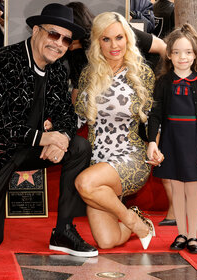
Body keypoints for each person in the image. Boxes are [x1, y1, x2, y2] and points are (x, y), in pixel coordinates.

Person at [0, 3, 98, 258]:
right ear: (36, 30)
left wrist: (62, 139)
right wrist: (44, 137)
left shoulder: (56, 68)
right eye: (54, 34)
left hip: (25, 146)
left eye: (66, 40)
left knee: (79, 147)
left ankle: (63, 231)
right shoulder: (4, 60)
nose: (59, 43)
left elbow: (66, 114)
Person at [74, 11, 158, 250]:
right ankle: (138, 220)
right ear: (97, 41)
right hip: (99, 161)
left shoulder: (141, 73)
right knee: (107, 241)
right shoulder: (88, 74)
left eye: (119, 38)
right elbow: (78, 117)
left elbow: (154, 118)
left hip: (130, 157)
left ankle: (131, 220)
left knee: (85, 184)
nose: (114, 45)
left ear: (128, 39)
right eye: (106, 39)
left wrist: (154, 144)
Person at [147, 24, 197, 254]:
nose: (183, 57)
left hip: (193, 144)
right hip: (171, 142)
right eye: (177, 52)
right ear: (169, 55)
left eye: (188, 52)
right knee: (177, 190)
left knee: (193, 190)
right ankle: (180, 233)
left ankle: (193, 236)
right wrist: (152, 141)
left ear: (196, 54)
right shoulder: (163, 82)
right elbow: (155, 114)